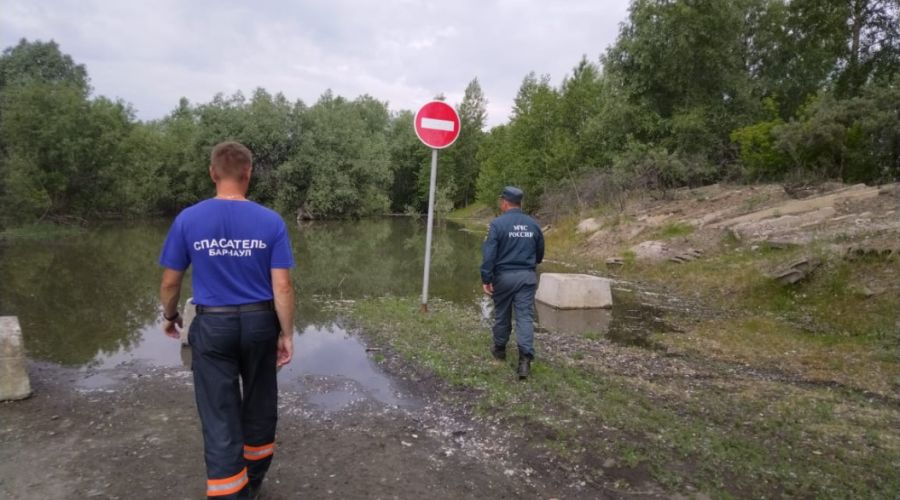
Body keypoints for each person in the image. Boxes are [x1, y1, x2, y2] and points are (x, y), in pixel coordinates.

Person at [158, 141, 295, 499]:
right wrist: (287, 334)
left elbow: (171, 281)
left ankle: (230, 492)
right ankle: (255, 478)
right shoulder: (271, 221)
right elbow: (282, 287)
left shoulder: (188, 218)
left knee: (220, 413)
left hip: (212, 326)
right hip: (260, 324)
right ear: (248, 173)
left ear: (212, 173)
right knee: (260, 403)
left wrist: (170, 316)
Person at [480, 186, 545, 380]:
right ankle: (524, 360)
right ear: (520, 203)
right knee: (524, 316)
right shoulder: (533, 224)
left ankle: (499, 349)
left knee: (502, 313)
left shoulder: (497, 225)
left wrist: (486, 278)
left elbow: (489, 255)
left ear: (505, 202)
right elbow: (540, 254)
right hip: (526, 277)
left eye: (501, 200)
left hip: (504, 277)